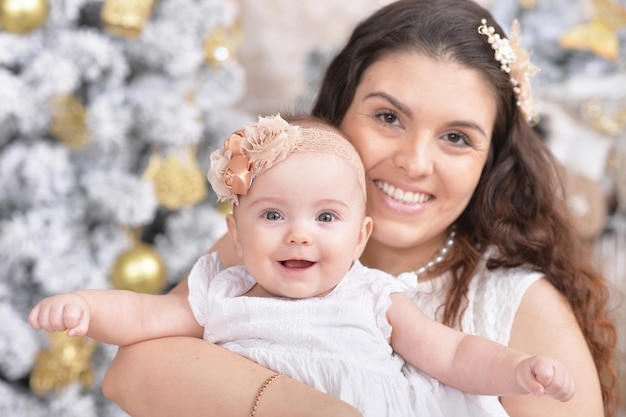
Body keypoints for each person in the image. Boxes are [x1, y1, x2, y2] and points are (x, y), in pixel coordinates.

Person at [101, 1, 619, 417]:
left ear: (491, 164)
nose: (414, 163)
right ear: (338, 113)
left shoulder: (521, 308)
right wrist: (293, 402)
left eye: (457, 137)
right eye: (389, 117)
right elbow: (132, 373)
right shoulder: (277, 242)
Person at [29, 114, 575, 417]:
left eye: (326, 217)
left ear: (361, 237)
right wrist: (85, 307)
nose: (299, 233)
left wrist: (516, 370)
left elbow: (452, 353)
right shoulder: (222, 295)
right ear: (235, 235)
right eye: (271, 214)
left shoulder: (372, 297)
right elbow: (144, 320)